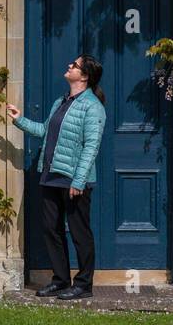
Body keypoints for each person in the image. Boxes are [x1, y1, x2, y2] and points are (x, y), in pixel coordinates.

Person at [6, 54, 107, 299]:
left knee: (80, 233)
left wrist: (79, 181)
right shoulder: (60, 102)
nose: (69, 65)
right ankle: (61, 280)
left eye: (74, 65)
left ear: (84, 76)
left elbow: (91, 146)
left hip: (73, 179)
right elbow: (44, 130)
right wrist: (19, 120)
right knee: (51, 229)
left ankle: (84, 285)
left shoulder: (93, 107)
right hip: (51, 175)